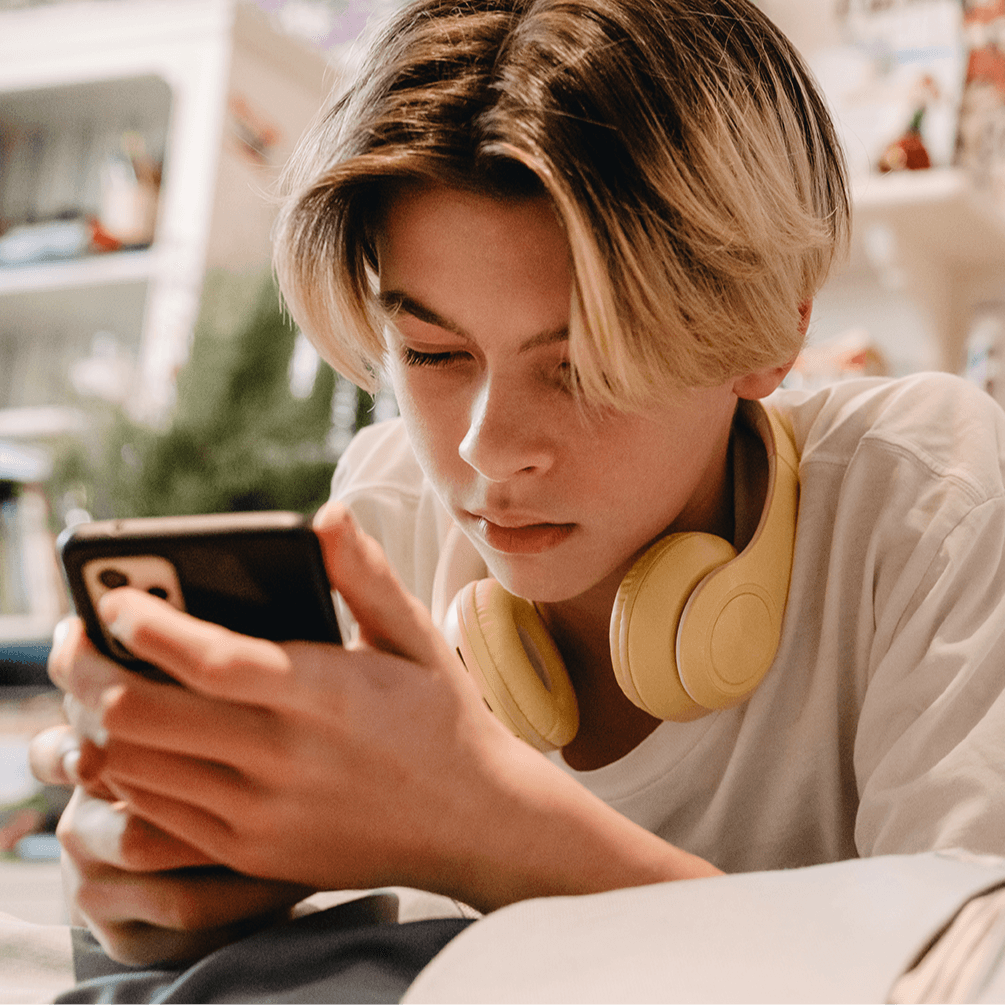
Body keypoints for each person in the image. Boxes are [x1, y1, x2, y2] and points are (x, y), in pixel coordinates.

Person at [28, 0, 1005, 994]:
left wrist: (491, 832)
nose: (485, 452)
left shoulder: (927, 495)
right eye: (432, 352)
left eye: (581, 364)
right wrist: (150, 907)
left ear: (772, 330)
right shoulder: (389, 515)